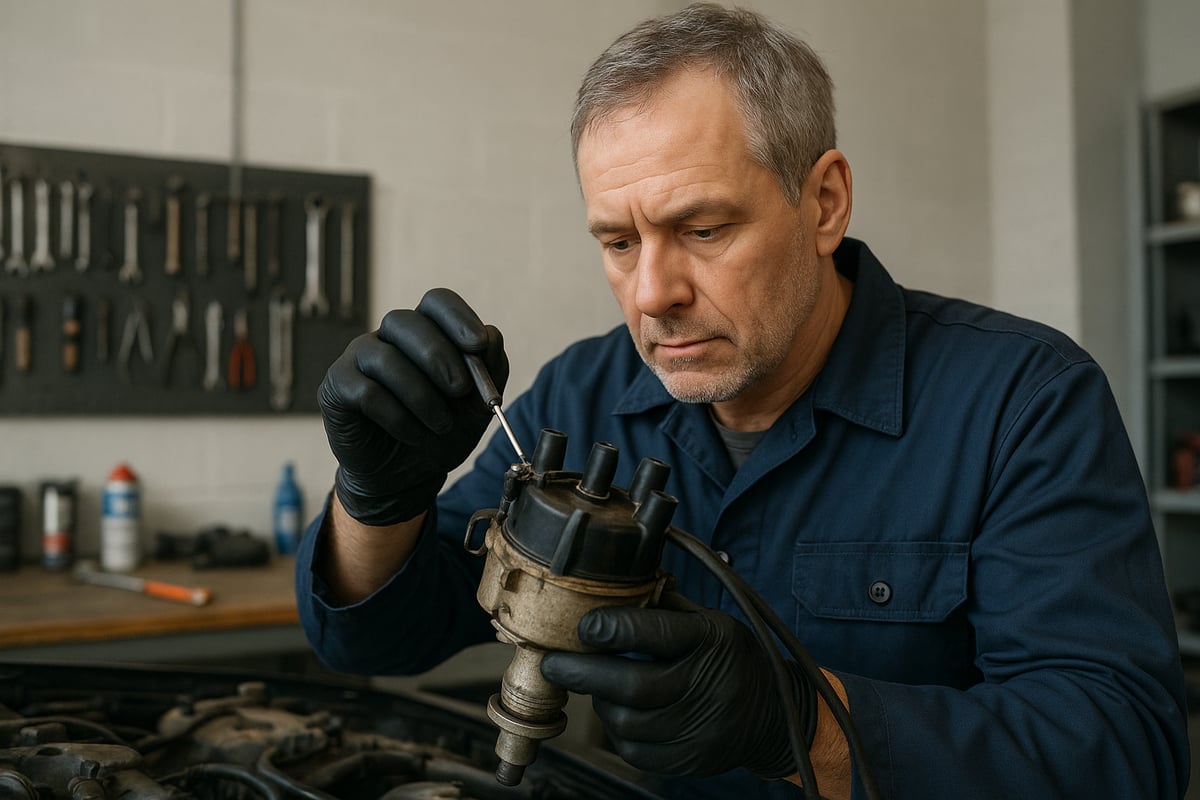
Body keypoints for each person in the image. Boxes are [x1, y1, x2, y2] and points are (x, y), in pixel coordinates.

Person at [295, 4, 1190, 798]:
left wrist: (801, 725)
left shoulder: (1023, 403)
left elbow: (1125, 755)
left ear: (825, 203)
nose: (652, 292)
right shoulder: (583, 393)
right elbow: (379, 641)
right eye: (616, 240)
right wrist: (379, 499)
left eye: (704, 228)